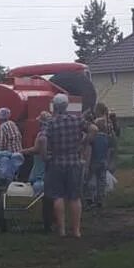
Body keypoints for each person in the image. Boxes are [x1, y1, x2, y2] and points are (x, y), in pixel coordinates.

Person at [44, 94, 88, 238]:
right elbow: (93, 129)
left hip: (56, 162)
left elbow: (43, 140)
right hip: (74, 162)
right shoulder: (77, 120)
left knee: (58, 197)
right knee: (75, 198)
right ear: (67, 105)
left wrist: (46, 157)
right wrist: (83, 144)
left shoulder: (50, 123)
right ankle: (76, 231)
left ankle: (61, 230)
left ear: (55, 106)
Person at [23, 111, 53, 232]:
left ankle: (37, 214)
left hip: (40, 164)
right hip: (52, 166)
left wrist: (23, 151)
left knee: (38, 190)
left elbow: (36, 149)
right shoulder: (55, 133)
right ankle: (52, 217)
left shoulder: (42, 134)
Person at [88, 120, 110, 209]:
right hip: (103, 161)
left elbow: (90, 150)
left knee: (92, 181)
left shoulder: (93, 138)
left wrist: (88, 162)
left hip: (94, 161)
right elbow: (108, 151)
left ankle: (91, 199)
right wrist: (107, 161)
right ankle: (100, 200)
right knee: (102, 181)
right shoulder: (107, 138)